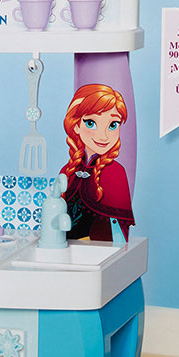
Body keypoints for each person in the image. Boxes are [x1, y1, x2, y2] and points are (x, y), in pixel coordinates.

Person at [59, 84, 134, 242]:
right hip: (64, 250)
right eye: (91, 123)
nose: (103, 136)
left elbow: (119, 232)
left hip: (100, 251)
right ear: (76, 125)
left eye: (113, 125)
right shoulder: (67, 170)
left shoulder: (115, 172)